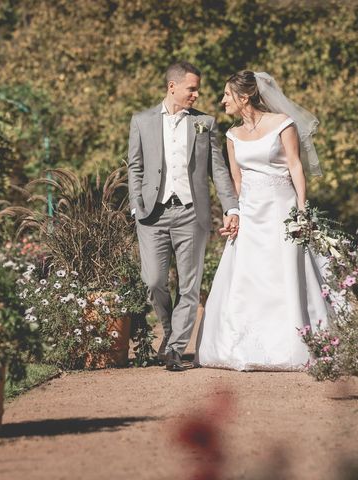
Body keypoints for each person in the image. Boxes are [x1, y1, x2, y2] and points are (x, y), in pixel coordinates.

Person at [195, 70, 328, 371]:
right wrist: (235, 214)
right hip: (251, 213)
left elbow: (295, 167)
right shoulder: (231, 136)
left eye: (227, 95)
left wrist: (302, 210)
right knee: (248, 276)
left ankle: (296, 343)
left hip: (282, 209)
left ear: (244, 97)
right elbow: (236, 181)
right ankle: (243, 346)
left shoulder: (283, 123)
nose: (222, 100)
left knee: (284, 274)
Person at [127, 61, 239, 372]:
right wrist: (137, 204)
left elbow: (218, 169)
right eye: (192, 88)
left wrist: (232, 206)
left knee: (189, 286)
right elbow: (134, 167)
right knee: (154, 281)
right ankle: (170, 333)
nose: (197, 94)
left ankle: (175, 349)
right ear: (172, 86)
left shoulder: (205, 122)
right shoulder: (142, 121)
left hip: (192, 213)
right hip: (153, 214)